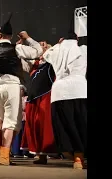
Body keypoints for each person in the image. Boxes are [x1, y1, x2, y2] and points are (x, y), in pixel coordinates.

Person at [0, 13, 43, 165]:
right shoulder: (18, 48)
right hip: (12, 85)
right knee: (10, 123)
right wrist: (27, 39)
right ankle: (3, 155)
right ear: (11, 35)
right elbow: (38, 51)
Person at [42, 20, 87, 169]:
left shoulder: (56, 50)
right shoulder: (83, 50)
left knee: (65, 126)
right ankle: (79, 157)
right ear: (77, 39)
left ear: (62, 40)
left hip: (60, 92)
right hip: (79, 90)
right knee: (80, 125)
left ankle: (74, 156)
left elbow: (46, 53)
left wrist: (58, 45)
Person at [20, 41, 57, 164]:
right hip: (33, 98)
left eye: (45, 46)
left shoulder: (52, 63)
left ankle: (45, 153)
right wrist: (19, 45)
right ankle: (40, 155)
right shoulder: (34, 64)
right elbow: (21, 59)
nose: (42, 48)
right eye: (41, 47)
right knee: (33, 125)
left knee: (43, 125)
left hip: (45, 97)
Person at [11, 85, 29, 158]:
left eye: (21, 90)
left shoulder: (26, 98)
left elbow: (25, 107)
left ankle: (25, 152)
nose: (19, 91)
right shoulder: (15, 99)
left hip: (25, 119)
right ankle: (16, 152)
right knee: (17, 136)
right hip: (17, 118)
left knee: (24, 136)